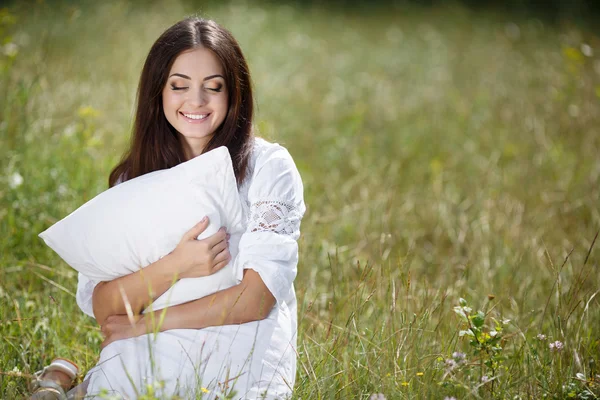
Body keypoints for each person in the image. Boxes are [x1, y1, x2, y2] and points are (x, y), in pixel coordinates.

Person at [43, 16, 304, 399]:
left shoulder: (269, 166)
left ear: (234, 93)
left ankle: (63, 385)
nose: (195, 102)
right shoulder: (134, 179)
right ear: (158, 93)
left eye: (212, 87)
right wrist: (178, 265)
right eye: (179, 86)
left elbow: (256, 299)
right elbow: (107, 308)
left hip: (246, 340)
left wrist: (145, 326)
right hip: (150, 342)